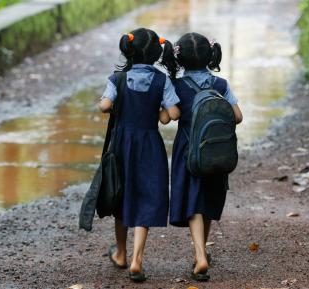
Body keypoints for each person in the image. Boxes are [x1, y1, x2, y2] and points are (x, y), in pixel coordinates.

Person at [98, 27, 180, 282]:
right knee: (145, 196)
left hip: (122, 144)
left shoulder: (117, 79)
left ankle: (121, 253)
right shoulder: (161, 80)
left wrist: (117, 106)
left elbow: (104, 106)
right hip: (149, 146)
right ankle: (137, 260)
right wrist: (158, 115)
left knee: (122, 195)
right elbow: (173, 114)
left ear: (128, 50)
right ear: (157, 53)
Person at [168, 32, 243, 281]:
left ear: (180, 59)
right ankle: (201, 254)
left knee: (193, 203)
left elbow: (172, 116)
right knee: (209, 200)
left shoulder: (177, 86)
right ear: (211, 55)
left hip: (188, 150)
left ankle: (200, 256)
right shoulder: (220, 85)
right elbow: (238, 116)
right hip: (216, 151)